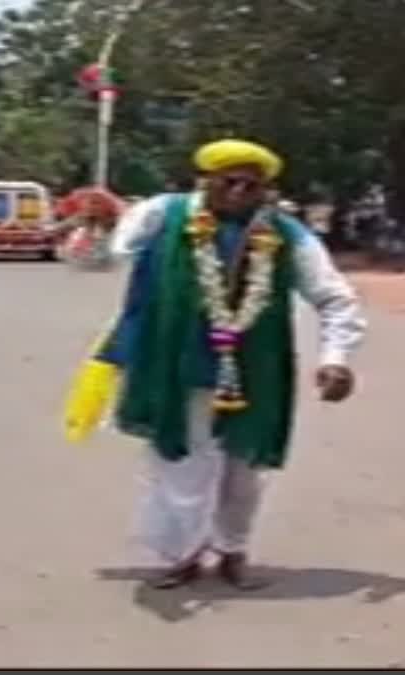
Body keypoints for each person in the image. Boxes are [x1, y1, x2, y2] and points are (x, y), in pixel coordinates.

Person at [95, 139, 366, 590]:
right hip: (177, 365)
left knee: (245, 469)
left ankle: (232, 550)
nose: (240, 191)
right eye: (230, 181)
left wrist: (336, 357)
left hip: (256, 368)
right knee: (181, 463)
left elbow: (334, 296)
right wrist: (99, 230)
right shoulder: (166, 213)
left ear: (266, 190)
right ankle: (181, 553)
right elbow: (114, 253)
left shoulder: (286, 233)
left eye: (252, 184)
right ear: (206, 181)